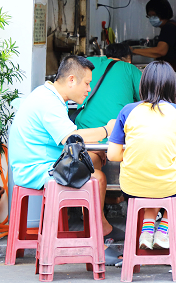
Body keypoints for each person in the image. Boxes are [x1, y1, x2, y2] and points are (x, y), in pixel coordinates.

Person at [8, 55, 122, 241]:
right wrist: (106, 130)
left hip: (42, 160)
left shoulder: (47, 95)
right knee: (99, 178)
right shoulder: (48, 102)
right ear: (71, 80)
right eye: (86, 83)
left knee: (94, 157)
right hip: (34, 169)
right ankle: (98, 230)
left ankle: (92, 222)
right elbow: (71, 138)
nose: (89, 89)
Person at [107, 61, 176, 249]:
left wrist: (137, 153)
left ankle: (147, 230)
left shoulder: (127, 111)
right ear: (172, 86)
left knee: (150, 183)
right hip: (167, 185)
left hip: (130, 187)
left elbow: (113, 155)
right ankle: (163, 230)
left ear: (143, 85)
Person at [75, 43, 142, 164]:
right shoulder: (129, 68)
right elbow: (148, 98)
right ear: (128, 59)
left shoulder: (88, 62)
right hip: (115, 137)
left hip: (84, 136)